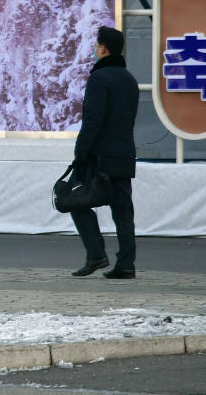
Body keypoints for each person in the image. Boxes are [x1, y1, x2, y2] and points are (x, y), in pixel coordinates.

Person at [70, 26, 139, 279]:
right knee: (123, 211)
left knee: (76, 200)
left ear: (103, 49)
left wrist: (80, 154)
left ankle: (96, 254)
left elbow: (92, 122)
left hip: (99, 158)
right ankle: (126, 264)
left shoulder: (99, 79)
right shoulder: (129, 79)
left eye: (97, 45)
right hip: (124, 155)